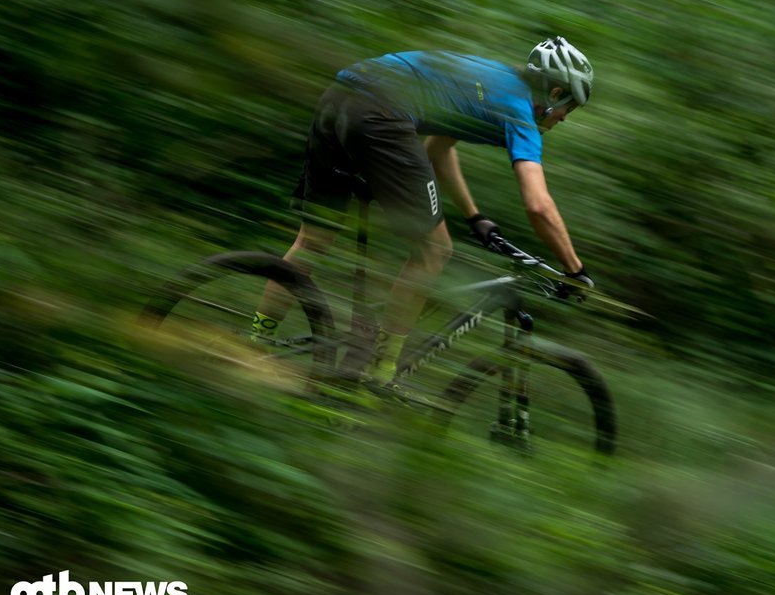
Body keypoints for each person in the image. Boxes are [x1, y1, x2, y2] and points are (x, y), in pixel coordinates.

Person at [251, 36, 596, 387]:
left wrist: (474, 216)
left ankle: (255, 342)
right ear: (555, 94)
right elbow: (538, 205)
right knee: (434, 251)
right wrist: (574, 269)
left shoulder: (493, 78)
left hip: (339, 97)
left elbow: (438, 150)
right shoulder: (520, 113)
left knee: (314, 238)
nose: (566, 118)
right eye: (571, 106)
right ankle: (379, 374)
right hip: (382, 115)